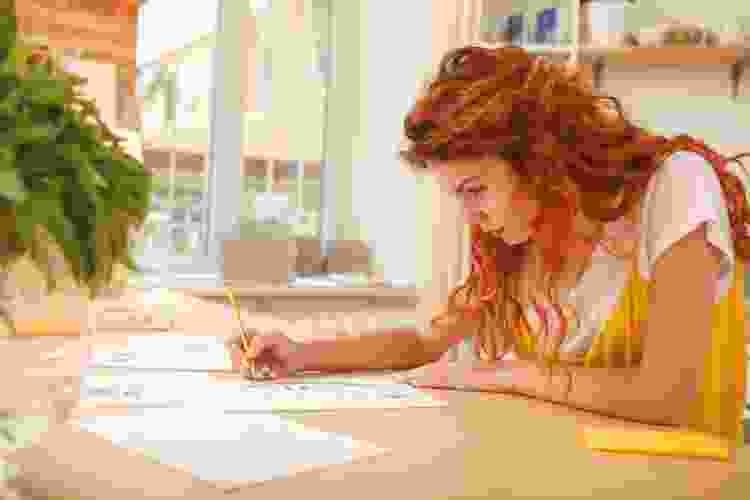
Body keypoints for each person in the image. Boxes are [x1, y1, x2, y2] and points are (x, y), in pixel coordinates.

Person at [228, 45, 749, 446]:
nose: (470, 214)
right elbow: (425, 343)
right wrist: (301, 351)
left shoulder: (676, 186)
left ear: (542, 160)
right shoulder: (526, 238)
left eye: (475, 190)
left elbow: (668, 398)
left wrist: (514, 374)